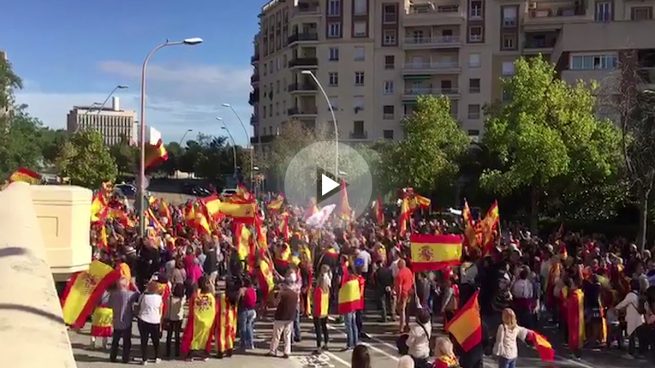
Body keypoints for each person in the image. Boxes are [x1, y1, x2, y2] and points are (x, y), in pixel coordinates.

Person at [181, 276, 216, 361]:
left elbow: (191, 307)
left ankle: (191, 354)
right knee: (205, 338)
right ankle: (204, 354)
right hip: (207, 322)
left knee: (194, 338)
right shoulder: (210, 296)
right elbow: (213, 309)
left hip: (196, 321)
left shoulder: (196, 295)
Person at [108, 278, 140, 364]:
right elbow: (139, 294)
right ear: (125, 285)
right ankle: (125, 358)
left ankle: (113, 356)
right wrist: (134, 285)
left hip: (116, 320)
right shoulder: (129, 294)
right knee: (126, 341)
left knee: (115, 340)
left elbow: (109, 304)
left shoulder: (113, 294)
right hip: (127, 320)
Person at [614, 279, 646, 358]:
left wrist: (616, 308)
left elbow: (623, 303)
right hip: (640, 318)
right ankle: (640, 353)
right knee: (639, 337)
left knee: (631, 335)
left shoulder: (631, 295)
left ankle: (631, 353)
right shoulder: (639, 294)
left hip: (632, 318)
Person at [268, 276, 299, 358]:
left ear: (285, 285)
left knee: (276, 335)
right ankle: (287, 352)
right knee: (287, 335)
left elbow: (275, 303)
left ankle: (273, 350)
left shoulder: (282, 294)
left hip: (280, 316)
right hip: (290, 317)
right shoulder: (295, 294)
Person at [137, 281, 163, 365]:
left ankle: (144, 359)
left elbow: (139, 305)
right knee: (156, 340)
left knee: (144, 340)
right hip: (155, 320)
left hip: (143, 319)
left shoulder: (143, 296)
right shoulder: (159, 298)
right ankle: (157, 357)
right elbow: (160, 311)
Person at [313, 265, 331, 353]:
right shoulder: (327, 288)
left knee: (318, 329)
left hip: (318, 310)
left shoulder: (319, 289)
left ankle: (319, 346)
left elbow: (315, 299)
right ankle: (326, 342)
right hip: (325, 309)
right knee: (324, 327)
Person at [164, 283, 185, 359]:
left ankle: (168, 352)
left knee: (169, 335)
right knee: (177, 335)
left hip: (170, 318)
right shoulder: (182, 299)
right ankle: (177, 352)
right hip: (178, 318)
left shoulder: (170, 298)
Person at [395, 259, 414, 333]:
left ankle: (401, 328)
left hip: (403, 293)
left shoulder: (400, 274)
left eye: (398, 264)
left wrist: (398, 298)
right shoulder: (409, 271)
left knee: (402, 311)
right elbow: (412, 280)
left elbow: (399, 287)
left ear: (401, 265)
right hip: (409, 292)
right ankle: (407, 325)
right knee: (407, 310)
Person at [238, 277, 257, 351]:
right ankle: (251, 343)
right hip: (252, 310)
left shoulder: (242, 290)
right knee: (249, 326)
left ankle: (243, 344)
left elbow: (237, 298)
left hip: (244, 310)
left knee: (243, 328)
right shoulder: (253, 290)